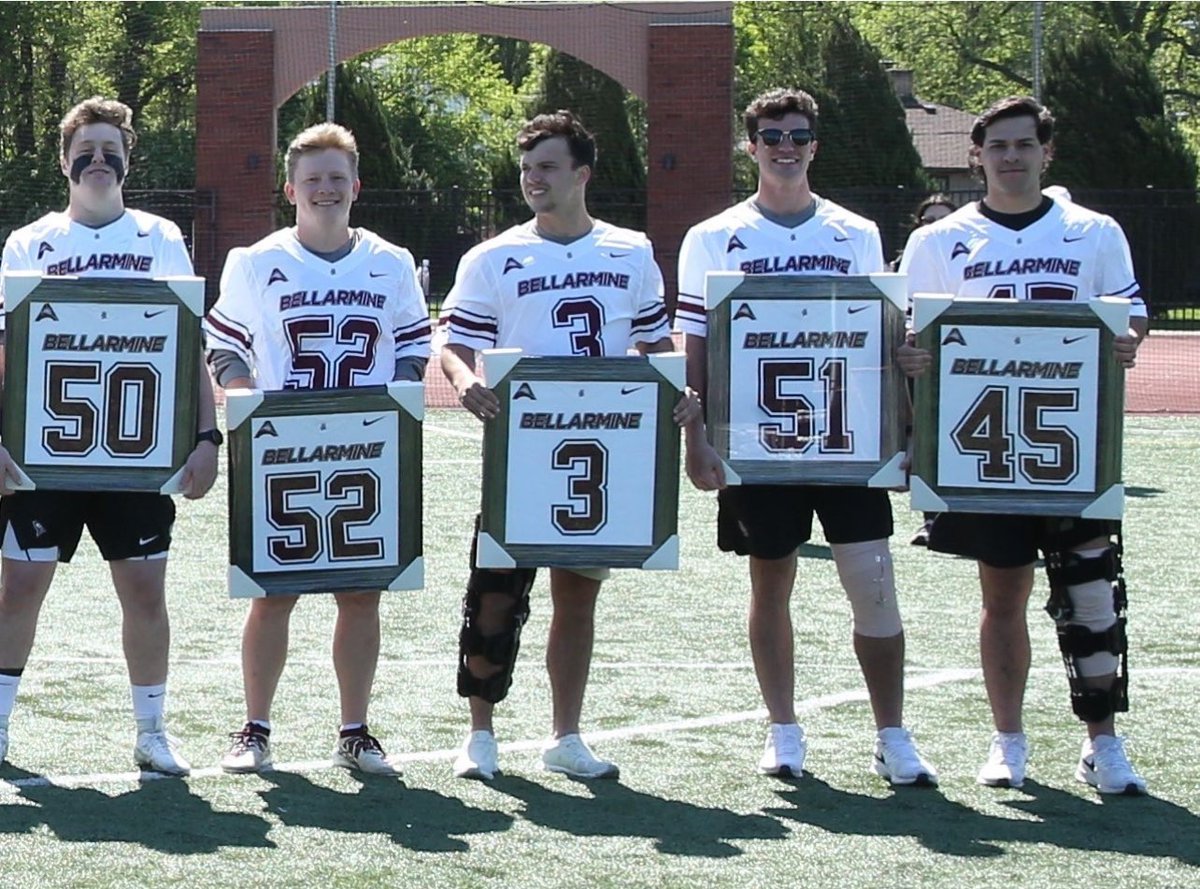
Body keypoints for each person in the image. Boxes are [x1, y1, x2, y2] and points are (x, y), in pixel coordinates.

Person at [676, 88, 937, 786]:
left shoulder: (856, 233)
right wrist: (696, 437)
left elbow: (879, 334)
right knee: (771, 580)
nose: (784, 147)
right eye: (771, 136)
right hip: (757, 438)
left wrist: (903, 428)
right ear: (751, 146)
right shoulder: (713, 236)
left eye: (796, 135)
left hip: (846, 437)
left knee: (872, 581)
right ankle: (783, 728)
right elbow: (695, 342)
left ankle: (891, 734)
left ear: (814, 145)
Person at [438, 110, 700, 781]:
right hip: (523, 449)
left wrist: (678, 390)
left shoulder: (629, 250)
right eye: (528, 168)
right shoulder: (493, 255)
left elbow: (654, 343)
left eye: (548, 166)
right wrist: (465, 381)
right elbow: (454, 343)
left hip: (600, 446)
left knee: (578, 595)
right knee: (494, 593)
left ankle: (566, 734)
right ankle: (480, 733)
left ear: (582, 173)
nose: (534, 179)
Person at [898, 96, 1148, 795]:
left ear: (1047, 152)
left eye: (1024, 144)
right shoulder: (940, 241)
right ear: (975, 156)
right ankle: (1008, 738)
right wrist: (911, 359)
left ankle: (1103, 742)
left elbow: (1130, 315)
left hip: (1072, 442)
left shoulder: (1092, 231)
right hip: (985, 445)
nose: (1011, 157)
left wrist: (1128, 341)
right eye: (998, 146)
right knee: (1003, 591)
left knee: (1093, 596)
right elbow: (913, 336)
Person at [203, 123, 431, 776]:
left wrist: (393, 401)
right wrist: (244, 399)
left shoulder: (390, 261)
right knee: (272, 592)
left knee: (360, 593)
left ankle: (354, 730)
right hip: (285, 448)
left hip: (363, 449)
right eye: (312, 179)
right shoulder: (255, 261)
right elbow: (225, 346)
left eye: (336, 178)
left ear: (356, 185)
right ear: (290, 189)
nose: (324, 189)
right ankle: (255, 727)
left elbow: (414, 346)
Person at [0, 97, 219, 774]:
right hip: (45, 453)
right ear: (63, 161)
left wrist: (208, 436)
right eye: (86, 151)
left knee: (145, 591)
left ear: (129, 159)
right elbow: (5, 351)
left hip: (136, 451)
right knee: (19, 587)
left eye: (110, 150)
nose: (98, 161)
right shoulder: (30, 242)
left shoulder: (159, 237)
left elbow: (189, 344)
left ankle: (152, 730)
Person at [899, 194, 959, 547]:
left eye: (944, 219)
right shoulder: (913, 256)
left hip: (966, 358)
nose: (936, 226)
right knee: (927, 435)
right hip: (926, 361)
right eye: (929, 220)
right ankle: (931, 518)